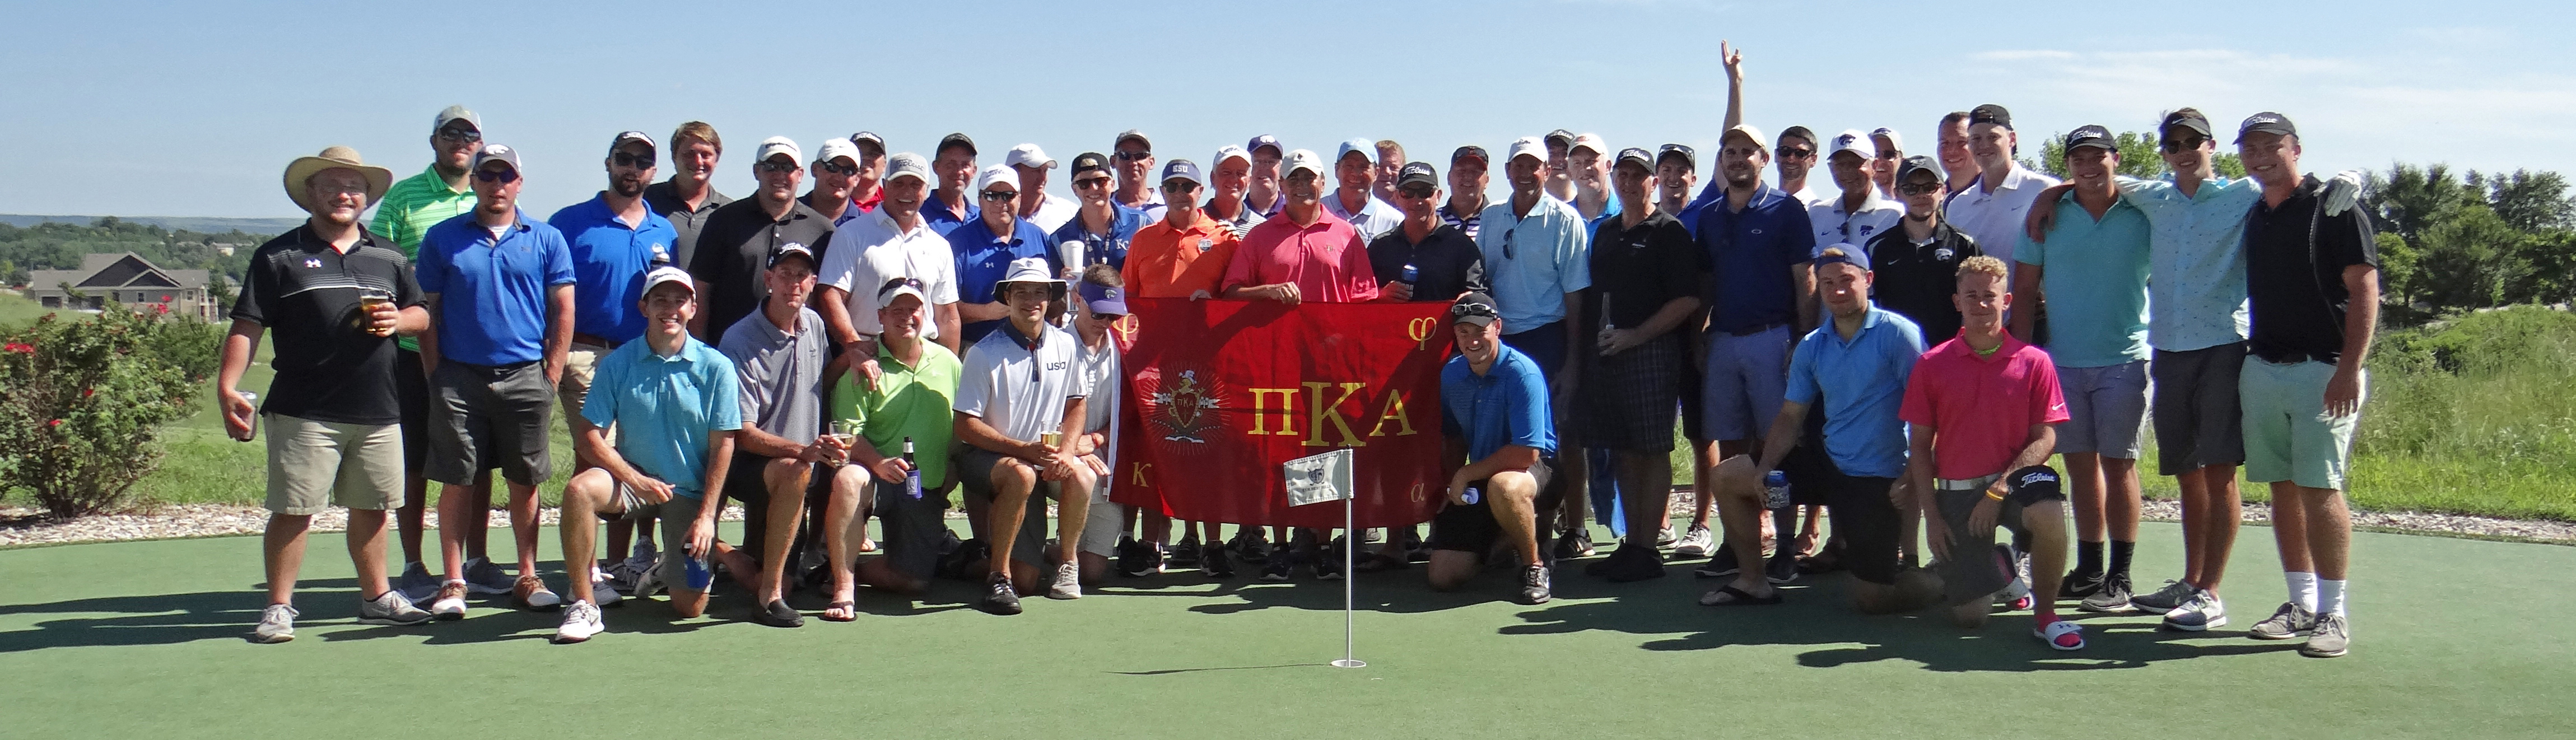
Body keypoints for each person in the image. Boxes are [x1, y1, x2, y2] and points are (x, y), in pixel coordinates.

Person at [2019, 109, 2364, 627]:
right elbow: (2097, 176)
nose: (2184, 151)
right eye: (2173, 143)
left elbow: (2293, 184)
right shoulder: (2150, 196)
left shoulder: (2241, 194)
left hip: (2224, 346)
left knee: (2219, 471)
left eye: (2193, 142)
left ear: (2211, 146)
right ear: (2163, 152)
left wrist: (2347, 179)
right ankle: (2191, 579)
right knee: (2186, 473)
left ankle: (2211, 592)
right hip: (2168, 351)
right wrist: (2051, 192)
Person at [227, 146, 435, 642]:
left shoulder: (387, 253)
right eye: (333, 186)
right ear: (311, 194)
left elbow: (422, 314)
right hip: (305, 408)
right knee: (295, 508)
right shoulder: (279, 255)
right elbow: (246, 325)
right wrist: (228, 386)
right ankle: (279, 607)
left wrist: (398, 319)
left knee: (374, 507)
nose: (346, 195)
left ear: (366, 197)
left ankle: (377, 597)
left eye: (355, 187)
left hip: (380, 407)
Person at [1701, 246, 1929, 609]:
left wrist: (1912, 474)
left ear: (1867, 281)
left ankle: (1953, 580)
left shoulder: (1899, 334)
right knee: (1728, 477)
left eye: (1846, 280)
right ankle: (1752, 580)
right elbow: (1791, 416)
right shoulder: (1812, 345)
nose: (1837, 290)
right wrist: (1764, 468)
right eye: (1827, 283)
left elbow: (1927, 412)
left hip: (1877, 474)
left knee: (1873, 599)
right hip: (1827, 463)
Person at [2235, 112, 2378, 658]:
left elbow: (2364, 289)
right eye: (2251, 148)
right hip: (2264, 366)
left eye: (2272, 146)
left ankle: (2333, 614)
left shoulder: (2334, 207)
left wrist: (2348, 366)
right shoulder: (2255, 212)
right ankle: (2299, 603)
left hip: (2324, 369)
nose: (2261, 156)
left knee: (2320, 488)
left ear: (2296, 149)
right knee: (2282, 487)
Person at [414, 143, 576, 618]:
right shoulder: (444, 238)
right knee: (457, 478)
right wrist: (436, 372)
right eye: (487, 175)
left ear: (519, 183)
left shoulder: (545, 238)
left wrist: (552, 372)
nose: (497, 184)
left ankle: (528, 575)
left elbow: (563, 309)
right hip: (459, 376)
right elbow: (430, 311)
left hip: (526, 373)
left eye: (506, 176)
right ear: (475, 181)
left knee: (524, 479)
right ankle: (452, 580)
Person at [1899, 255, 2083, 650]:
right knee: (1971, 617)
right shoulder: (1931, 364)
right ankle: (1999, 566)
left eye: (1989, 295)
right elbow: (1917, 447)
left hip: (2011, 487)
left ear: (2007, 301)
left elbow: (2045, 438)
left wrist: (1998, 489)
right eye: (1971, 295)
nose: (1980, 304)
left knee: (2049, 510)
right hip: (1956, 493)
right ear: (1956, 301)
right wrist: (1931, 517)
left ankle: (2046, 615)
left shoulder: (2035, 362)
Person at [549, 267, 742, 642]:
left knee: (689, 607)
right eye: (660, 301)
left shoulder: (716, 367)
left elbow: (724, 446)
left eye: (679, 301)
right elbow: (590, 437)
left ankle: (668, 565)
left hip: (688, 492)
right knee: (579, 490)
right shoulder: (618, 363)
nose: (670, 309)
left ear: (692, 308)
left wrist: (706, 517)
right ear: (644, 307)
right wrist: (635, 478)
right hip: (632, 483)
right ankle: (585, 604)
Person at [1222, 148, 1386, 580]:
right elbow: (1232, 293)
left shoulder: (1346, 235)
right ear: (1282, 184)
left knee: (1327, 451)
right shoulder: (1259, 236)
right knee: (1278, 450)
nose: (1300, 186)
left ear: (1321, 183)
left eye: (1308, 178)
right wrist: (1268, 291)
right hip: (1275, 363)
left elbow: (1365, 301)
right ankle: (1283, 543)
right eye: (1293, 179)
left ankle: (1318, 539)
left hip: (1332, 365)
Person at [2010, 125, 2153, 617]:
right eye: (2077, 160)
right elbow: (2024, 290)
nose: (2088, 167)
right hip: (2062, 362)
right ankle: (2090, 569)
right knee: (2078, 466)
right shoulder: (2048, 216)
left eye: (2098, 158)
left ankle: (2120, 575)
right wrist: (2020, 358)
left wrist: (2057, 189)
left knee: (2118, 465)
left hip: (2123, 360)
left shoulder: (2141, 212)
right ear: (2067, 166)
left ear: (2116, 159)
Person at [370, 105, 509, 602]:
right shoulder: (404, 196)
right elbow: (379, 262)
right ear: (435, 141)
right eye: (452, 134)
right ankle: (413, 564)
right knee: (414, 460)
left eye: (470, 135)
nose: (461, 142)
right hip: (412, 351)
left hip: (474, 356)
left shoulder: (490, 192)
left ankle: (476, 559)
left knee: (479, 462)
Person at [547, 132, 680, 591]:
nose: (633, 168)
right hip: (586, 352)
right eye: (624, 159)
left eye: (643, 161)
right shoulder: (570, 222)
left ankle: (621, 560)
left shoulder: (662, 229)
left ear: (654, 172)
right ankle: (583, 576)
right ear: (608, 162)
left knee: (636, 451)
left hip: (642, 355)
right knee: (594, 457)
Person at [1686, 122, 1818, 585]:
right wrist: (1700, 331)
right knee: (1731, 447)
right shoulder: (1711, 215)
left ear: (1763, 159)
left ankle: (1783, 546)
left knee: (1776, 448)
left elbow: (1806, 278)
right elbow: (1704, 282)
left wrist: (1803, 338)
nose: (1737, 158)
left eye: (1747, 152)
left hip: (1773, 338)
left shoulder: (1786, 210)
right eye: (1729, 151)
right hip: (1723, 339)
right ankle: (1736, 542)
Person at [1576, 148, 1701, 581]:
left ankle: (1648, 548)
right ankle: (1634, 544)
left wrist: (1637, 335)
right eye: (1623, 174)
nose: (1630, 182)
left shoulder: (1669, 232)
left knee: (1651, 449)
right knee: (1625, 449)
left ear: (1653, 182)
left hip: (1650, 350)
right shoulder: (1608, 231)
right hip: (1610, 351)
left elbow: (1687, 299)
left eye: (1639, 176)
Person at [954, 258, 1097, 613]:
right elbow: (965, 427)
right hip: (989, 459)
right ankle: (995, 576)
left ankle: (1068, 565)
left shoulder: (1067, 345)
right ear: (1007, 297)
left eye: (1038, 292)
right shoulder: (984, 352)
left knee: (1082, 473)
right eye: (1021, 292)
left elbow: (1077, 403)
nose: (1030, 299)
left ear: (1051, 298)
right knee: (1019, 475)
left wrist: (1066, 451)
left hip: (1040, 459)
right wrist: (1022, 451)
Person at [714, 242, 845, 628]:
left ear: (813, 282)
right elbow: (742, 434)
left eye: (801, 275)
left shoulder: (816, 325)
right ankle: (763, 594)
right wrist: (804, 450)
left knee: (791, 578)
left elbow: (820, 383)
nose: (793, 283)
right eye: (785, 274)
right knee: (794, 470)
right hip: (750, 466)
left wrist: (857, 355)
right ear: (769, 279)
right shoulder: (739, 340)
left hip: (797, 468)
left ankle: (732, 557)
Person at [1475, 137, 1594, 558]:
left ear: (1547, 171)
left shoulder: (1565, 220)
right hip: (1504, 340)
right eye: (1518, 167)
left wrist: (1574, 362)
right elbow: (1481, 283)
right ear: (1508, 171)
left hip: (1550, 335)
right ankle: (1518, 529)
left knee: (1562, 438)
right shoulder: (1491, 218)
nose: (1525, 174)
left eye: (1534, 167)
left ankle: (1574, 527)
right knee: (1512, 438)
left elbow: (1576, 296)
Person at [822, 278, 963, 614]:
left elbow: (963, 423)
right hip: (876, 479)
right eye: (896, 310)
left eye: (913, 309)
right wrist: (879, 463)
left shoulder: (948, 363)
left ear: (925, 314)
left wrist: (954, 465)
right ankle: (842, 587)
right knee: (849, 479)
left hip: (922, 487)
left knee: (912, 582)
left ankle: (841, 573)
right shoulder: (863, 367)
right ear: (881, 316)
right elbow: (847, 434)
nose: (906, 317)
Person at [1427, 292, 1562, 605]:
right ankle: (1504, 541)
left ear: (1497, 328)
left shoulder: (1522, 373)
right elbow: (1455, 437)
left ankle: (1534, 565)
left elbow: (1526, 452)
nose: (1472, 340)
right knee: (1443, 577)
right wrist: (1452, 486)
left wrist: (1465, 474)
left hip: (1538, 470)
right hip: (1482, 474)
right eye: (1464, 332)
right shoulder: (1452, 374)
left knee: (1505, 486)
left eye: (1480, 331)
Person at [818, 152, 966, 375]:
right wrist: (854, 346)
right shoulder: (852, 234)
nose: (907, 192)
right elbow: (831, 295)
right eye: (899, 184)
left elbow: (947, 315)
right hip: (866, 358)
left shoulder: (939, 246)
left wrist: (949, 370)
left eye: (915, 184)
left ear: (926, 190)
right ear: (885, 185)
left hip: (924, 362)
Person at [689, 137, 835, 341]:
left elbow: (825, 297)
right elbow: (701, 288)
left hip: (795, 351)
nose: (780, 175)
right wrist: (700, 350)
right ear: (757, 171)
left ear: (800, 175)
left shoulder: (823, 230)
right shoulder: (724, 220)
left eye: (788, 168)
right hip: (728, 351)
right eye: (771, 166)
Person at [1065, 267, 1135, 581]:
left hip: (1101, 461)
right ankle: (1060, 559)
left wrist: (1095, 439)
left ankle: (1053, 553)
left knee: (1092, 572)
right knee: (1085, 477)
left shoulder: (1124, 351)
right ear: (1077, 299)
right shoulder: (1053, 345)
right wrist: (1072, 446)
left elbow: (1128, 413)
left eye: (1112, 317)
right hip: (1055, 457)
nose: (1104, 323)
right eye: (1097, 313)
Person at [1866, 156, 1981, 346]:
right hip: (1895, 357)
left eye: (1929, 187)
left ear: (1943, 191)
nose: (1921, 195)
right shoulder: (1878, 248)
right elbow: (1869, 310)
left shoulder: (1964, 245)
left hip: (1950, 356)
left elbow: (1978, 305)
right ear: (1897, 193)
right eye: (1911, 189)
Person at [952, 165, 1063, 345]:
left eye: (1008, 195)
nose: (1000, 203)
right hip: (977, 345)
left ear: (1019, 198)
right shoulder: (957, 243)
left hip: (1033, 345)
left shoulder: (1040, 237)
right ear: (979, 199)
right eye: (991, 195)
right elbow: (944, 309)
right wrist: (987, 312)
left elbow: (1055, 306)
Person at [1943, 104, 2059, 273]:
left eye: (1993, 137)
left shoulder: (2044, 189)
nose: (1984, 145)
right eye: (1976, 139)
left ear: (2012, 139)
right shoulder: (1957, 206)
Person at [1367, 162, 1485, 305]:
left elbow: (1480, 299)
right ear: (1397, 197)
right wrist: (1380, 295)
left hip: (1442, 328)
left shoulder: (1462, 247)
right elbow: (1360, 295)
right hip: (1393, 327)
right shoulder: (1380, 246)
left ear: (1438, 196)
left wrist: (1469, 299)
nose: (1416, 201)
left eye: (1425, 192)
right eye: (1408, 193)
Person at [1125, 159, 1241, 301]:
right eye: (1172, 187)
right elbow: (1128, 295)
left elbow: (1236, 295)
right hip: (1151, 323)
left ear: (1201, 191)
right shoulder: (1142, 238)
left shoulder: (1224, 238)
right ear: (1162, 191)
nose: (1179, 193)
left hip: (1205, 323)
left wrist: (1213, 302)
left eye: (1188, 186)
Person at [643, 122, 732, 271]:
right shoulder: (647, 201)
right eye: (689, 154)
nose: (698, 162)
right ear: (674, 157)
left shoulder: (729, 211)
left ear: (717, 159)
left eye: (706, 155)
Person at [1810, 131, 1905, 263]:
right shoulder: (1817, 214)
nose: (1848, 171)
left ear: (1874, 166)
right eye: (1840, 165)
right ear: (1831, 168)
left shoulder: (1896, 214)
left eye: (1855, 163)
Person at [1051, 152, 1148, 274]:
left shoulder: (1141, 224)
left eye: (1101, 181)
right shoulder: (1060, 239)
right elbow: (1053, 289)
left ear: (1112, 184)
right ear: (1074, 190)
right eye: (1084, 184)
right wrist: (1064, 285)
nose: (1094, 188)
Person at [1324, 138, 1404, 240]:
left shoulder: (1394, 221)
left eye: (1363, 167)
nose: (1356, 173)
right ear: (1336, 169)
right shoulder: (1315, 212)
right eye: (1349, 166)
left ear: (1376, 173)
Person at [1008, 143, 1079, 232]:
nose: (1043, 177)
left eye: (1045, 171)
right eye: (1036, 171)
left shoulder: (1068, 211)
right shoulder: (994, 214)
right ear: (1014, 173)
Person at [1204, 146, 1268, 239]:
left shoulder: (1261, 228)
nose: (1234, 179)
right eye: (1227, 172)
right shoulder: (1195, 221)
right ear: (1213, 178)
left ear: (1249, 181)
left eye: (1241, 174)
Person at [922, 133, 980, 235]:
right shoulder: (920, 216)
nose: (959, 171)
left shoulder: (982, 218)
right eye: (951, 165)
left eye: (965, 165)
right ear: (936, 167)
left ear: (974, 171)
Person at [803, 137, 866, 225]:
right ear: (815, 169)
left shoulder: (867, 227)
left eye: (849, 170)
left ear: (857, 179)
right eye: (832, 167)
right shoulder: (786, 216)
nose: (839, 177)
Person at [1110, 129, 1167, 221]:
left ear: (1151, 162)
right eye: (1125, 155)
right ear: (1113, 162)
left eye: (1141, 156)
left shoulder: (1167, 207)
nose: (1133, 162)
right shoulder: (1104, 208)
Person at [1439, 145, 1491, 240]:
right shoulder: (1432, 221)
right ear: (1449, 178)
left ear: (1487, 181)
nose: (1468, 177)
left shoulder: (1500, 222)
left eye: (1476, 172)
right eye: (1462, 171)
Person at [1565, 133, 1620, 222]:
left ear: (1608, 166)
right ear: (1569, 172)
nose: (1585, 168)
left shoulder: (1626, 214)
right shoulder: (1560, 217)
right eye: (1577, 163)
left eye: (1591, 161)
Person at [841, 132, 888, 217]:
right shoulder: (833, 201)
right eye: (859, 154)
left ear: (885, 165)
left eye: (874, 155)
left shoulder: (894, 205)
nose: (866, 158)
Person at [1934, 111, 1978, 198]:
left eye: (1962, 142)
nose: (1952, 150)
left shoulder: (1997, 193)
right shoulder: (1936, 201)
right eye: (1945, 143)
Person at [1245, 134, 1285, 217]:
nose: (1265, 167)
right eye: (1258, 162)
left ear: (1281, 169)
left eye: (1271, 162)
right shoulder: (1234, 216)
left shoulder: (1293, 215)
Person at [1371, 139, 1406, 206]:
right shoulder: (1356, 208)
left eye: (1393, 167)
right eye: (1380, 166)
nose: (1387, 172)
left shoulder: (1412, 210)